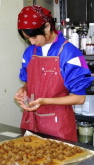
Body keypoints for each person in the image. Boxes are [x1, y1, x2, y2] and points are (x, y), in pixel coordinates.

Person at [14, 5, 93, 142]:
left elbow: (79, 98)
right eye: (28, 38)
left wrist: (45, 101)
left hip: (57, 125)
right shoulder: (30, 52)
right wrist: (23, 90)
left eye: (33, 37)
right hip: (31, 122)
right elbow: (30, 81)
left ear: (47, 27)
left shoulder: (69, 53)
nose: (32, 42)